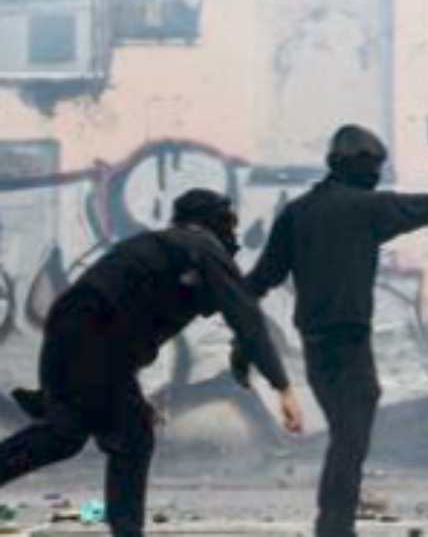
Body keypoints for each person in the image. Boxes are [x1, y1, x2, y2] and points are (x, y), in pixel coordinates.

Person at [233, 124, 428, 537]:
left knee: (345, 438)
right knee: (350, 440)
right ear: (364, 166)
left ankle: (335, 524)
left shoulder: (297, 213)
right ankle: (334, 528)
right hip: (350, 347)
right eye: (375, 167)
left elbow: (257, 282)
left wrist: (243, 345)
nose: (377, 175)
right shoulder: (368, 209)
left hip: (315, 348)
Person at [0, 189, 303, 537]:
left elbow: (232, 312)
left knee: (65, 436)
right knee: (132, 436)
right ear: (214, 223)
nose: (234, 235)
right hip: (93, 339)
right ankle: (127, 530)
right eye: (229, 225)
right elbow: (245, 317)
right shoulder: (202, 248)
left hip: (72, 332)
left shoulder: (166, 247)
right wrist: (283, 388)